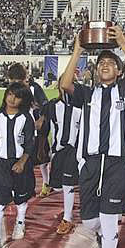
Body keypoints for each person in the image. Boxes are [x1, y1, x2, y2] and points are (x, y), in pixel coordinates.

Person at [60, 26, 125, 248]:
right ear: (95, 71)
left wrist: (123, 44)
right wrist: (78, 50)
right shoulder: (87, 94)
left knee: (109, 220)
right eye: (101, 63)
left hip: (118, 162)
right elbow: (66, 84)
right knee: (89, 222)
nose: (105, 65)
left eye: (110, 62)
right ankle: (102, 234)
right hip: (90, 162)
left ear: (119, 71)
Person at [0, 82, 36, 248]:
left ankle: (20, 221)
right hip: (1, 164)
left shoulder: (26, 118)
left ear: (23, 100)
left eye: (17, 96)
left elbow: (30, 143)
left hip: (20, 163)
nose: (12, 98)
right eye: (9, 94)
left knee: (20, 196)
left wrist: (22, 162)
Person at [42, 79, 82, 235]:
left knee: (67, 184)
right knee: (58, 186)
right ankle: (70, 208)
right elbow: (49, 127)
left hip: (74, 150)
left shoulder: (82, 106)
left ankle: (68, 218)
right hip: (58, 150)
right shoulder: (53, 106)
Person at [7, 63, 51, 198]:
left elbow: (46, 105)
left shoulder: (34, 88)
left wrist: (41, 119)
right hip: (19, 131)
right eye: (13, 81)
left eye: (18, 81)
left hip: (36, 132)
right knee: (20, 159)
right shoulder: (11, 91)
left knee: (41, 158)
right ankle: (21, 188)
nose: (15, 84)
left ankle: (46, 183)